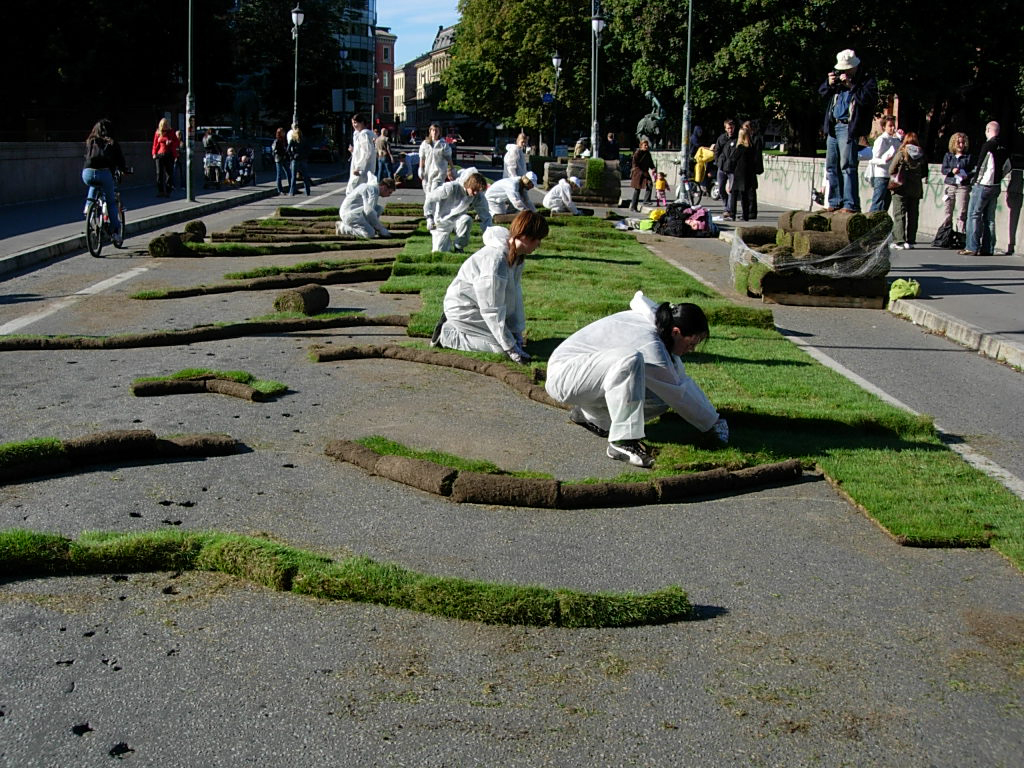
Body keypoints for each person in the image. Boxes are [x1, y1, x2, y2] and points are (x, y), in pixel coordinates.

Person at [545, 291, 728, 469]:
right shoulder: (650, 341)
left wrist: (714, 421)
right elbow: (677, 391)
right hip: (564, 376)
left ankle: (592, 417)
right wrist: (712, 423)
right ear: (676, 332)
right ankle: (622, 442)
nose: (692, 350)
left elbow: (679, 381)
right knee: (630, 360)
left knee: (659, 398)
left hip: (585, 376)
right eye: (691, 343)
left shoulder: (660, 328)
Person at [432, 210, 549, 362]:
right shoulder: (495, 261)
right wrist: (510, 347)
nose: (539, 244)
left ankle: (498, 338)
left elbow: (515, 295)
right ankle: (447, 335)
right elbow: (491, 308)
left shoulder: (517, 258)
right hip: (464, 309)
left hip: (479, 308)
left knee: (509, 341)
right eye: (537, 239)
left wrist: (516, 332)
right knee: (501, 350)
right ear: (524, 235)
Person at [818, 48, 877, 213]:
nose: (843, 72)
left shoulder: (866, 80)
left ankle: (850, 204)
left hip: (848, 126)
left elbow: (868, 100)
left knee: (847, 165)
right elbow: (822, 93)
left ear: (854, 67)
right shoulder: (838, 82)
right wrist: (829, 83)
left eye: (846, 69)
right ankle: (835, 201)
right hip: (833, 125)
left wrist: (851, 86)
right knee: (831, 166)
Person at [961, 121, 1010, 257]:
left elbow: (982, 165)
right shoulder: (1003, 146)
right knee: (989, 218)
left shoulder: (988, 145)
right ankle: (988, 248)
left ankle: (972, 247)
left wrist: (975, 180)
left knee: (974, 215)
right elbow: (1008, 166)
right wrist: (998, 177)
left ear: (988, 130)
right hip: (995, 185)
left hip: (983, 185)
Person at [82, 118, 128, 245]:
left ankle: (88, 207)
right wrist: (124, 170)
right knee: (111, 202)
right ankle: (115, 232)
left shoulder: (90, 141)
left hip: (87, 173)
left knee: (94, 183)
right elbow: (120, 161)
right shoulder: (112, 143)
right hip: (104, 173)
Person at [424, 171, 492, 252]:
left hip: (458, 219)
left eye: (478, 191)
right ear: (469, 184)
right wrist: (429, 217)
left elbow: (486, 216)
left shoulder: (478, 196)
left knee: (466, 219)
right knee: (439, 251)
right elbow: (430, 198)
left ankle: (459, 247)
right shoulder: (451, 187)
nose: (475, 193)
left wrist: (490, 237)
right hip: (441, 220)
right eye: (474, 190)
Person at [887, 132, 928, 250]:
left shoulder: (902, 153)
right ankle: (911, 240)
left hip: (900, 188)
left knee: (899, 214)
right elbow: (925, 172)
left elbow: (891, 169)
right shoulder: (921, 155)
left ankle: (899, 240)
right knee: (913, 215)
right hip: (915, 189)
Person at [939, 132, 973, 240]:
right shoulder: (948, 156)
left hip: (962, 186)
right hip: (950, 185)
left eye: (963, 143)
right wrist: (951, 170)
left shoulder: (968, 157)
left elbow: (973, 170)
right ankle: (946, 235)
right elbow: (943, 170)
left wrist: (967, 175)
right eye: (958, 143)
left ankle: (960, 236)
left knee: (962, 212)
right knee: (947, 211)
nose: (961, 145)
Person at [419, 123, 453, 227]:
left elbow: (448, 157)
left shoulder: (443, 144)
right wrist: (421, 168)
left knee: (433, 193)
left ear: (439, 132)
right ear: (430, 131)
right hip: (427, 173)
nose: (434, 132)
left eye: (436, 130)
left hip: (439, 172)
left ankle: (429, 216)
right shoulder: (425, 144)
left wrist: (452, 168)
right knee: (428, 193)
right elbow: (422, 157)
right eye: (433, 130)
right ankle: (434, 215)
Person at [866, 116, 900, 213]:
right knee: (878, 201)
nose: (892, 128)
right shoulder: (881, 140)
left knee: (886, 203)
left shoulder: (895, 140)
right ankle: (872, 219)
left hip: (891, 176)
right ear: (884, 127)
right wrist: (884, 160)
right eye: (890, 126)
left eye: (894, 125)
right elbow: (872, 159)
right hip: (881, 175)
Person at [741, 120, 764, 218]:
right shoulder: (744, 138)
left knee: (751, 190)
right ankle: (746, 212)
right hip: (744, 167)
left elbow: (757, 154)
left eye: (746, 128)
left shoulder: (755, 139)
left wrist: (756, 167)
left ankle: (752, 212)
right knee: (745, 191)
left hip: (751, 167)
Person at [347, 113, 376, 194]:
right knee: (359, 191)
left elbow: (366, 152)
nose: (354, 125)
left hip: (362, 168)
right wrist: (353, 151)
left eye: (355, 122)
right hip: (363, 167)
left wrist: (358, 167)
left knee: (354, 190)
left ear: (362, 122)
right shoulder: (360, 134)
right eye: (353, 123)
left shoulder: (363, 134)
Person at [151, 117, 179, 198]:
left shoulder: (171, 132)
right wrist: (154, 153)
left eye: (166, 125)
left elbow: (176, 142)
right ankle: (160, 191)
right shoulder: (158, 132)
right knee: (159, 173)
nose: (165, 126)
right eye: (163, 125)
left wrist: (170, 142)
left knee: (169, 173)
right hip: (160, 154)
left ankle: (168, 190)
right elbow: (155, 144)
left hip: (169, 154)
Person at [629, 138, 656, 211]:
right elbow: (634, 163)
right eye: (645, 145)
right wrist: (639, 171)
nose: (647, 146)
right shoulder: (638, 153)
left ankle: (646, 201)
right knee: (637, 189)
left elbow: (650, 162)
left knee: (650, 184)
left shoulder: (647, 153)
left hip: (645, 172)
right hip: (638, 173)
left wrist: (653, 168)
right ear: (641, 146)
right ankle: (633, 207)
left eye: (647, 145)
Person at [713, 119, 737, 201]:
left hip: (732, 168)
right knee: (721, 189)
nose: (730, 130)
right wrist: (717, 162)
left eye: (731, 128)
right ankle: (726, 204)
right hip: (722, 167)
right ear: (725, 128)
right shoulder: (721, 138)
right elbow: (717, 151)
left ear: (734, 127)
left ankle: (730, 207)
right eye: (728, 128)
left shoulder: (737, 138)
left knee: (731, 190)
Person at [288, 125, 311, 196]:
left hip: (295, 159)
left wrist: (292, 156)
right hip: (303, 159)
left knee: (293, 176)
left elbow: (288, 149)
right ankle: (307, 191)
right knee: (305, 176)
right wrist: (306, 155)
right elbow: (308, 149)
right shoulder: (304, 140)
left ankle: (292, 192)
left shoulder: (293, 140)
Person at [272, 127, 291, 195]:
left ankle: (292, 188)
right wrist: (283, 152)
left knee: (289, 173)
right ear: (279, 133)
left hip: (283, 158)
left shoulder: (283, 140)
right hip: (279, 159)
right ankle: (279, 190)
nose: (284, 133)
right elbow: (275, 150)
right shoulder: (277, 141)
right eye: (283, 132)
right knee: (279, 174)